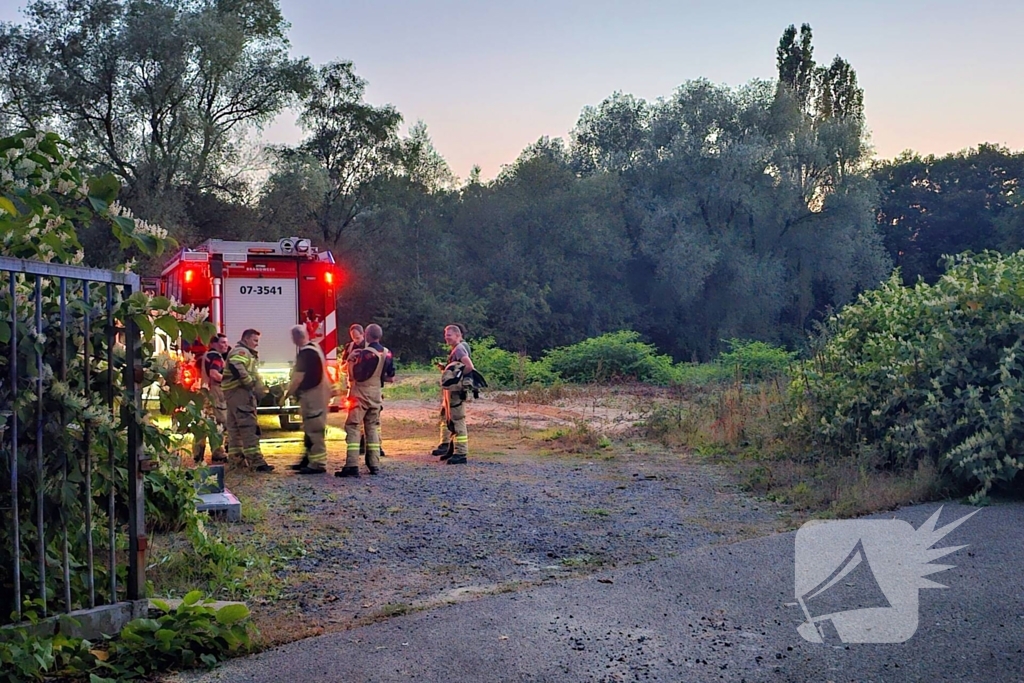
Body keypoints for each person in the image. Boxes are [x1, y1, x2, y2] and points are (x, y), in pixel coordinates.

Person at [336, 323, 394, 477]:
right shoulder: (387, 353)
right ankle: (374, 464)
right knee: (372, 427)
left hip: (360, 394)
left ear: (366, 335)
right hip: (376, 395)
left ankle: (352, 465)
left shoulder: (363, 354)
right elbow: (390, 378)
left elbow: (355, 376)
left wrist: (350, 361)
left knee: (353, 426)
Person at [221, 328, 275, 472]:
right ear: (246, 339)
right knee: (248, 427)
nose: (257, 344)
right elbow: (237, 365)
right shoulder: (242, 352)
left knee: (235, 429)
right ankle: (256, 462)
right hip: (241, 393)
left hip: (233, 394)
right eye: (255, 340)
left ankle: (236, 461)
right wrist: (249, 383)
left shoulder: (241, 351)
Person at [285, 325, 331, 474]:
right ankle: (307, 459)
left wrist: (286, 395)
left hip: (312, 397)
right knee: (310, 429)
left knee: (314, 430)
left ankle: (317, 463)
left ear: (295, 338)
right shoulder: (315, 348)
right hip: (320, 394)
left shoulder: (305, 354)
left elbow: (298, 378)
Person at [436, 324, 473, 465]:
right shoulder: (456, 349)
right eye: (445, 335)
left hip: (456, 392)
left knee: (457, 420)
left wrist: (456, 378)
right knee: (450, 420)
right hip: (452, 392)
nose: (446, 337)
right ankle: (451, 449)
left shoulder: (459, 349)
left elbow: (469, 366)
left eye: (449, 335)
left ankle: (461, 453)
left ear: (458, 335)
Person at [192, 334, 230, 464]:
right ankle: (218, 453)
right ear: (214, 344)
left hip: (203, 393)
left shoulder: (205, 356)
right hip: (215, 394)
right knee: (219, 423)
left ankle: (198, 454)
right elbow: (214, 374)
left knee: (202, 424)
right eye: (223, 342)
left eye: (226, 342)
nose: (226, 345)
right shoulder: (217, 357)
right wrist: (229, 379)